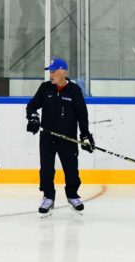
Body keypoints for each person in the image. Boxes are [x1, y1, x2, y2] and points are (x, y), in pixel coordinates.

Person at [25, 58, 94, 214]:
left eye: (54, 71)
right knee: (47, 169)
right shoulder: (45, 88)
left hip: (67, 138)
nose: (51, 74)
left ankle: (72, 195)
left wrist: (85, 135)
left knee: (71, 169)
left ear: (63, 71)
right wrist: (33, 117)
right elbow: (32, 106)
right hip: (47, 137)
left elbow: (82, 115)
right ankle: (48, 196)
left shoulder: (74, 90)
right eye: (50, 71)